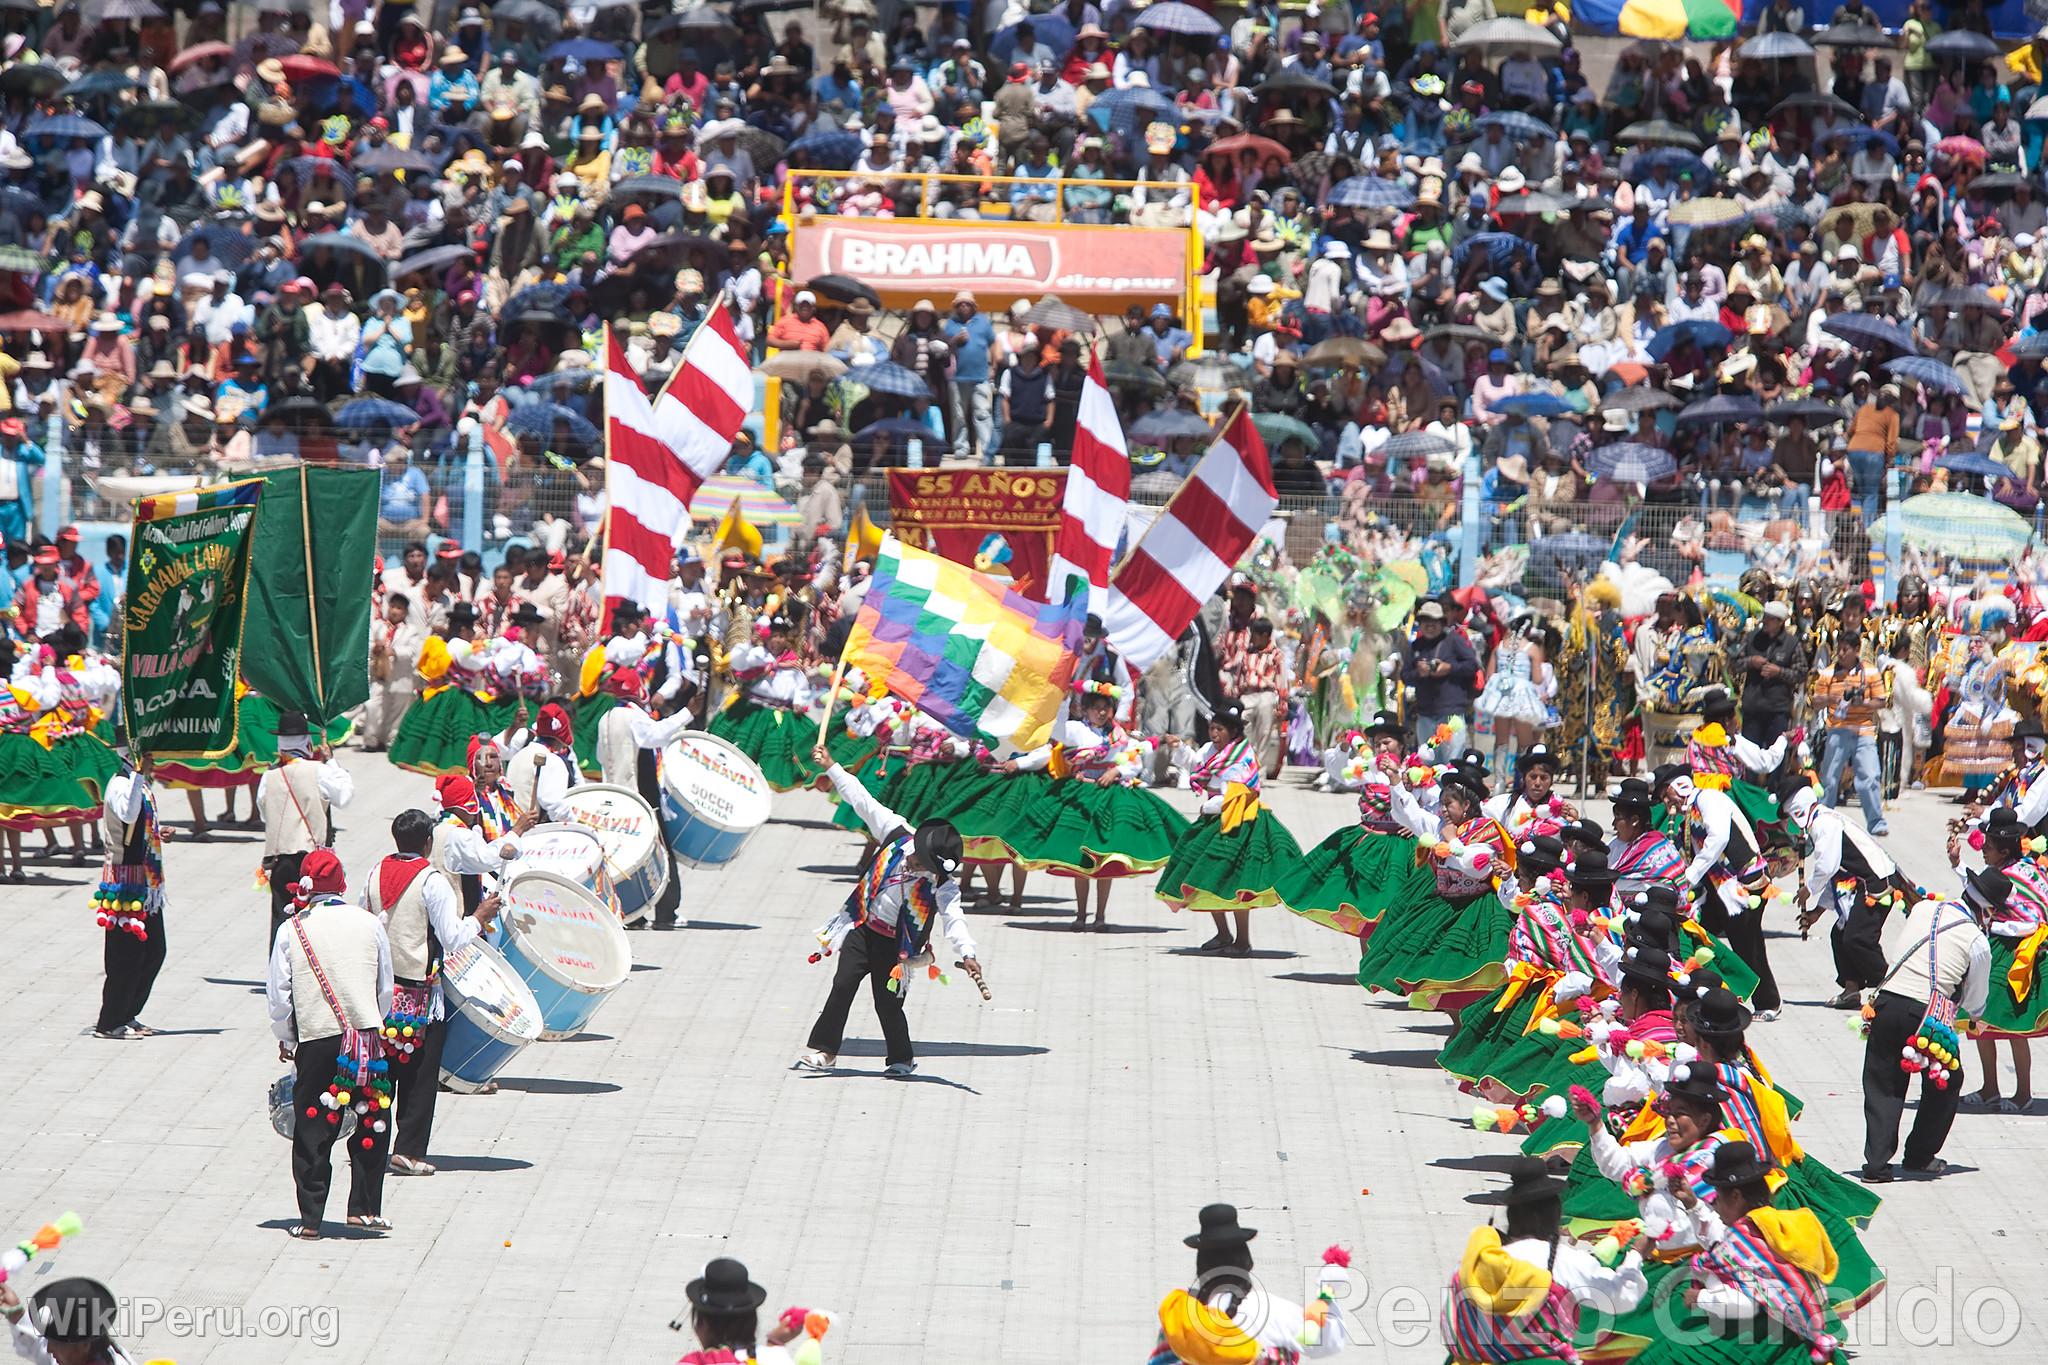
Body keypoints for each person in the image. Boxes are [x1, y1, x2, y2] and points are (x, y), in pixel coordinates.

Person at [796, 747, 981, 1077]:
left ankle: (902, 1059)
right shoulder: (896, 833)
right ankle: (826, 1050)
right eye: (919, 858)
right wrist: (832, 766)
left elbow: (954, 918)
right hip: (863, 928)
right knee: (842, 987)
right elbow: (862, 799)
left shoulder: (941, 884)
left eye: (925, 864)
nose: (917, 864)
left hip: (896, 948)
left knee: (888, 1002)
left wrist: (967, 952)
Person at [266, 848, 395, 1239]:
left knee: (313, 1128)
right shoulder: (369, 924)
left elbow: (278, 994)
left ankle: (310, 1219)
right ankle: (363, 1209)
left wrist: (288, 1037)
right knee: (371, 1119)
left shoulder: (292, 928)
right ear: (341, 882)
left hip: (318, 1039)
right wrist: (371, 1020)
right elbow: (384, 988)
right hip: (365, 1038)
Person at [371, 808, 498, 1177]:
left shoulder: (375, 873)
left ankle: (373, 1145)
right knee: (419, 1078)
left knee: (383, 1074)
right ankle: (408, 1150)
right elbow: (453, 937)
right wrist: (480, 915)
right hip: (422, 998)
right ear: (428, 842)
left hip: (382, 992)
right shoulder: (432, 881)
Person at [1003, 682, 1188, 930]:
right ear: (1085, 710)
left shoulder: (1119, 735)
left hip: (1110, 797)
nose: (1101, 713)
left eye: (1105, 708)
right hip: (1082, 796)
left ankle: (1100, 916)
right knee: (1082, 861)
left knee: (1106, 858)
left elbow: (1134, 763)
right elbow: (1056, 730)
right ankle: (1080, 915)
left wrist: (1116, 770)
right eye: (1096, 708)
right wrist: (1065, 701)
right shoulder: (1077, 730)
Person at [1859, 866, 1998, 1183]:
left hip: (1886, 1003)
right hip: (1927, 1015)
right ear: (1988, 911)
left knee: (1884, 1083)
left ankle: (1876, 1165)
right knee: (1946, 1082)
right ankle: (1919, 1156)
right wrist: (1975, 1019)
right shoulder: (1976, 940)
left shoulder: (1923, 908)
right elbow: (1976, 1001)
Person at [1438, 1159, 1646, 1364]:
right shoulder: (1567, 1263)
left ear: (1512, 1216)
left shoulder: (1477, 1262)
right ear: (1555, 1214)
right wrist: (1635, 1255)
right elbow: (1622, 1296)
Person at [1155, 704, 1304, 956]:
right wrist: (1179, 748)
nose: (1214, 733)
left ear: (1233, 731)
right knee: (1205, 877)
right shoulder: (1211, 751)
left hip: (1240, 822)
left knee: (1236, 883)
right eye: (1212, 728)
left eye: (1219, 729)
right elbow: (1195, 764)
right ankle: (1223, 934)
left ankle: (1243, 941)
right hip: (1215, 820)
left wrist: (1208, 807)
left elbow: (1233, 795)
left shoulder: (1242, 757)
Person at [1655, 763, 1782, 1019]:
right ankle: (1715, 991)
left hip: (1745, 887)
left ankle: (1768, 1002)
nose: (1666, 802)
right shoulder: (1690, 814)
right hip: (1719, 890)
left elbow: (1719, 838)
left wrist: (1690, 876)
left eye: (1664, 795)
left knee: (1748, 944)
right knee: (1702, 936)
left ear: (1675, 787)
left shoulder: (1709, 798)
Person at [1155, 1205, 1350, 1364]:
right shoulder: (1270, 1310)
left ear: (1201, 1266)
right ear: (1247, 1261)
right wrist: (1326, 1295)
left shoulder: (1180, 1318)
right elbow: (1327, 1342)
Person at [1787, 773, 1907, 1010]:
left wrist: (1808, 889)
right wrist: (1817, 912)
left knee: (1858, 938)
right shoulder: (1822, 820)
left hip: (1877, 883)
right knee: (1840, 935)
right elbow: (1836, 876)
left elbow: (1827, 865)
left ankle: (1893, 990)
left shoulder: (1823, 823)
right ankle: (1851, 990)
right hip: (1860, 884)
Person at [257, 711, 356, 948]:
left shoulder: (268, 776)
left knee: (282, 918)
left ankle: (279, 973)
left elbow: (264, 813)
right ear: (307, 742)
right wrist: (331, 761)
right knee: (313, 918)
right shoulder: (318, 770)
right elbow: (345, 796)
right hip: (311, 860)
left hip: (279, 859)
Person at [91, 753, 167, 1041]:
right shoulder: (122, 784)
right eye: (150, 756)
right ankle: (109, 1021)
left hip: (146, 883)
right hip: (125, 884)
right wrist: (136, 774)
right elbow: (127, 813)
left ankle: (127, 1013)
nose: (155, 761)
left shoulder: (138, 783)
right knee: (125, 957)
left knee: (154, 951)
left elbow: (139, 824)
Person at [670, 1258, 833, 1365]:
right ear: (751, 1321)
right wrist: (775, 1344)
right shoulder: (770, 1360)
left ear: (701, 1324)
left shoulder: (691, 1362)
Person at [1810, 631, 1888, 835]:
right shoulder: (1828, 673)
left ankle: (1876, 822)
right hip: (1837, 730)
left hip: (1864, 731)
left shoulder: (1870, 672)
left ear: (1856, 651)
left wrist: (1862, 702)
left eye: (1846, 650)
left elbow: (1882, 701)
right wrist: (1831, 699)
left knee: (1870, 777)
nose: (1841, 654)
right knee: (1829, 778)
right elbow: (1815, 702)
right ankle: (1823, 819)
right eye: (1839, 649)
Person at [1403, 600, 1480, 756]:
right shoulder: (1416, 646)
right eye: (1425, 621)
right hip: (1425, 713)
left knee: (1452, 761)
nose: (1430, 625)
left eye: (1434, 621)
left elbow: (1472, 665)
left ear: (1442, 623)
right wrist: (1420, 673)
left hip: (1451, 713)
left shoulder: (1454, 640)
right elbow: (1405, 676)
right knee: (1427, 761)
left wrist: (1449, 668)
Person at [0, 1276, 133, 1365]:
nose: (49, 1349)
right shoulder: (88, 1354)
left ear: (84, 1345)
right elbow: (40, 1350)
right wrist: (16, 1313)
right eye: (49, 1340)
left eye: (57, 1343)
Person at [1735, 602, 1806, 746]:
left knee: (1776, 755)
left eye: (1770, 618)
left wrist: (1779, 672)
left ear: (1780, 622)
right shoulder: (1751, 638)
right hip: (1752, 707)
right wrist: (1751, 661)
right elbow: (1735, 664)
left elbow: (1801, 673)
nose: (1764, 621)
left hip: (1777, 709)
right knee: (1750, 755)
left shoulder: (1791, 643)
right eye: (1765, 617)